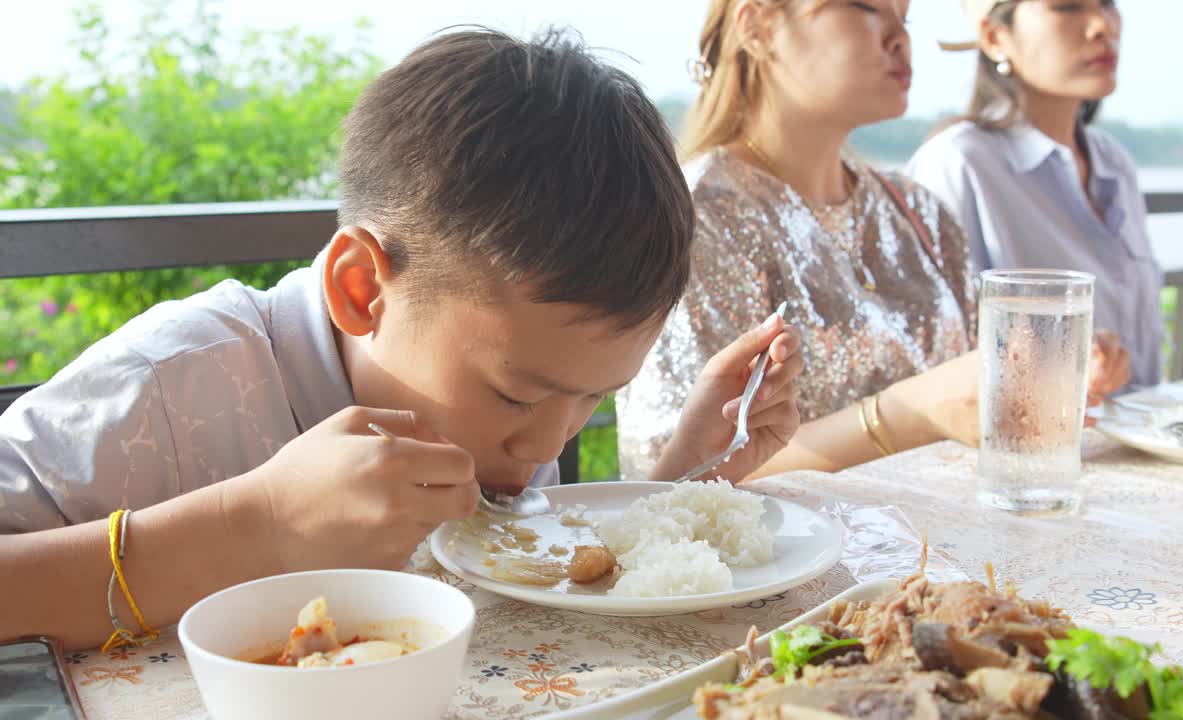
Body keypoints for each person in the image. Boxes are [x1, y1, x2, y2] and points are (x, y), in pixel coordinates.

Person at [0, 29, 804, 649]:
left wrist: (675, 487)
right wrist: (258, 523)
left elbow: (521, 586)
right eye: (516, 396)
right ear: (361, 289)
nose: (544, 448)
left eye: (594, 398)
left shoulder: (515, 389)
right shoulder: (168, 387)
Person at [617, 0, 1129, 481]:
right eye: (867, 7)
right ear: (760, 27)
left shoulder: (919, 211)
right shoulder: (698, 215)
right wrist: (909, 414)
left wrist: (1039, 366)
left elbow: (975, 386)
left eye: (905, 17)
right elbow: (678, 477)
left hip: (941, 552)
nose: (899, 39)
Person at [906, 0, 1161, 388]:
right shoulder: (959, 163)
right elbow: (936, 364)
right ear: (995, 37)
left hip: (1143, 441)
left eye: (1108, 3)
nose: (1100, 26)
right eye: (1067, 7)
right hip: (1031, 443)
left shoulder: (1114, 161)